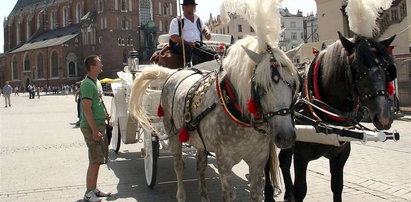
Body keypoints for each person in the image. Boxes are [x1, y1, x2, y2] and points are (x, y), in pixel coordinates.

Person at [80, 55, 111, 202]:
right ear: (92, 66)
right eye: (99, 62)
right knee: (94, 160)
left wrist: (105, 114)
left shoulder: (97, 82)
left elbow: (97, 102)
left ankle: (94, 189)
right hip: (91, 126)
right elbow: (86, 109)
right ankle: (88, 193)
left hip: (99, 123)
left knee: (98, 159)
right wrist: (94, 130)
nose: (102, 64)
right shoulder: (87, 84)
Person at [168, 0, 216, 66]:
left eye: (194, 6)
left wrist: (207, 31)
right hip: (182, 46)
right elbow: (173, 37)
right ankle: (189, 67)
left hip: (197, 46)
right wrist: (188, 43)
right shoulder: (177, 21)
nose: (193, 8)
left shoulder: (198, 19)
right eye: (190, 6)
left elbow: (204, 27)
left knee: (213, 54)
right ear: (183, 8)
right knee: (187, 49)